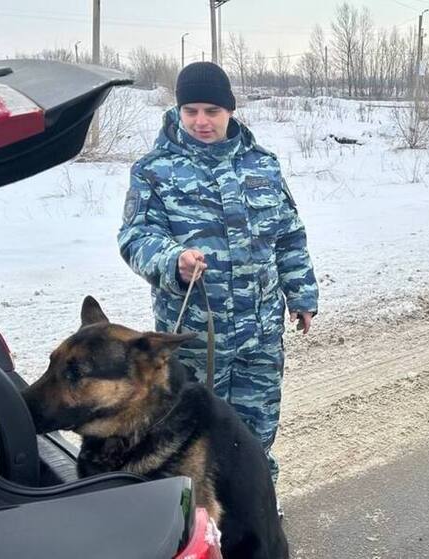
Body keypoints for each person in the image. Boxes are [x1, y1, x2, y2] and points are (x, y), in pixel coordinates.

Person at [117, 62, 318, 504]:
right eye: (191, 111)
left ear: (230, 109)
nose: (201, 122)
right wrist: (173, 260)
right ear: (179, 111)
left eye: (212, 110)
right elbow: (135, 238)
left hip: (260, 336)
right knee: (189, 438)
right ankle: (196, 526)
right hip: (193, 337)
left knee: (255, 432)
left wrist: (301, 293)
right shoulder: (155, 169)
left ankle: (255, 511)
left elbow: (287, 235)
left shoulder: (262, 164)